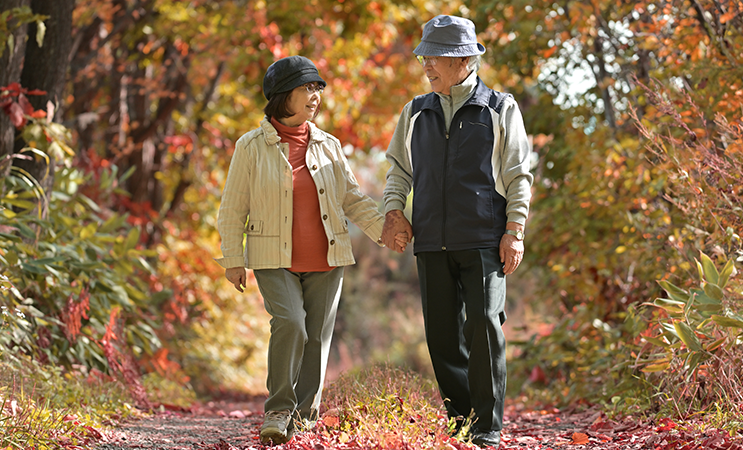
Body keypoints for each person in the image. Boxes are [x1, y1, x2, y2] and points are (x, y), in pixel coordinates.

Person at [216, 55, 406, 445]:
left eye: (318, 88)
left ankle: (304, 419)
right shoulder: (250, 146)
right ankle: (278, 410)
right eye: (307, 88)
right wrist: (233, 259)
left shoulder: (329, 145)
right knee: (290, 323)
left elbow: (352, 199)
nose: (315, 95)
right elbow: (233, 208)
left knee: (316, 337)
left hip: (327, 257)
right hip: (274, 259)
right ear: (282, 95)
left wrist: (383, 232)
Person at [380, 15, 533, 449]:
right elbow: (399, 170)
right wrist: (393, 210)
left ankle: (487, 428)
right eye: (425, 57)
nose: (427, 65)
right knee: (442, 336)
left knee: (484, 328)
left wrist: (515, 230)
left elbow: (518, 175)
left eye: (436, 57)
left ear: (464, 60)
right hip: (431, 241)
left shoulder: (499, 108)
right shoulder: (415, 112)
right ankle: (462, 423)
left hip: (484, 238)